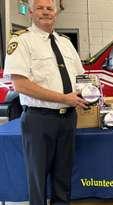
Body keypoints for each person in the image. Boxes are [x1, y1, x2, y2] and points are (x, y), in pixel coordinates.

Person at [4, 0, 87, 204]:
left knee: (63, 176)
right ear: (30, 13)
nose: (45, 12)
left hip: (67, 119)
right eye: (40, 8)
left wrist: (89, 93)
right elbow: (21, 85)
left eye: (49, 8)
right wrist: (63, 98)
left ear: (55, 14)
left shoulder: (65, 43)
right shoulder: (22, 41)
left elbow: (81, 78)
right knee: (37, 178)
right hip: (38, 120)